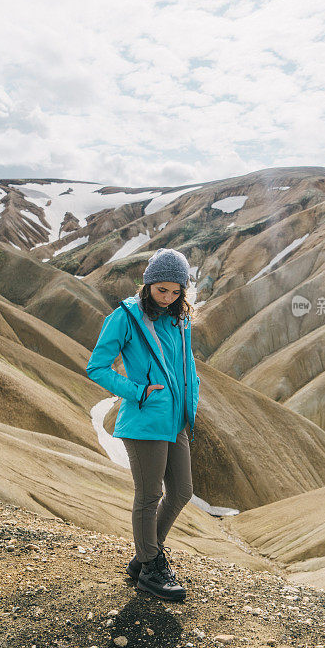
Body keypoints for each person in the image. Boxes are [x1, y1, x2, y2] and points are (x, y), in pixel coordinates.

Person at [86, 247, 200, 602]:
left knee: (181, 491)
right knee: (150, 495)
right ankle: (151, 569)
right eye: (160, 289)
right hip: (144, 419)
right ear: (148, 282)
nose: (167, 298)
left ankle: (145, 556)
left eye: (175, 291)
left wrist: (191, 396)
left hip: (175, 420)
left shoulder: (180, 320)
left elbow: (186, 365)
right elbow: (97, 367)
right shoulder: (126, 316)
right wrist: (137, 392)